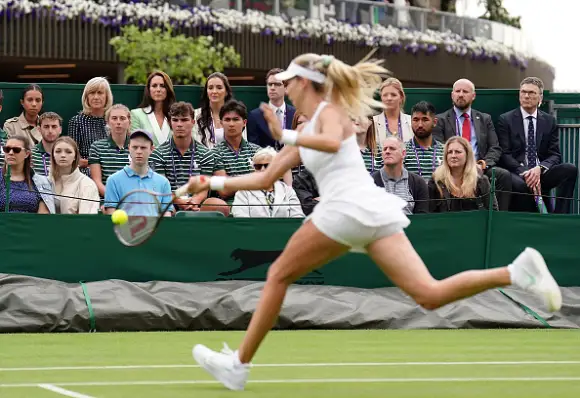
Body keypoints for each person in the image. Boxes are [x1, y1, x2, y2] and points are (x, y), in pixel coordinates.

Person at [184, 53, 562, 391]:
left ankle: (238, 365)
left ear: (305, 83)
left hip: (345, 208)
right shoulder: (307, 129)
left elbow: (331, 143)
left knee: (279, 275)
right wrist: (212, 182)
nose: (284, 88)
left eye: (288, 81)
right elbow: (265, 178)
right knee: (428, 294)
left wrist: (284, 132)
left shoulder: (329, 114)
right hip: (367, 211)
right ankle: (516, 273)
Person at [104, 130, 173, 216]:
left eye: (143, 148)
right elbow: (110, 216)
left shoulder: (163, 183)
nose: (139, 151)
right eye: (135, 147)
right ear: (129, 148)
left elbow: (166, 217)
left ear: (152, 149)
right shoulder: (113, 180)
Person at [50, 137, 100, 214]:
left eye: (68, 152)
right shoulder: (45, 182)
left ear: (75, 156)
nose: (63, 155)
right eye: (58, 151)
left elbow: (87, 219)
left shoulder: (87, 184)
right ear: (53, 155)